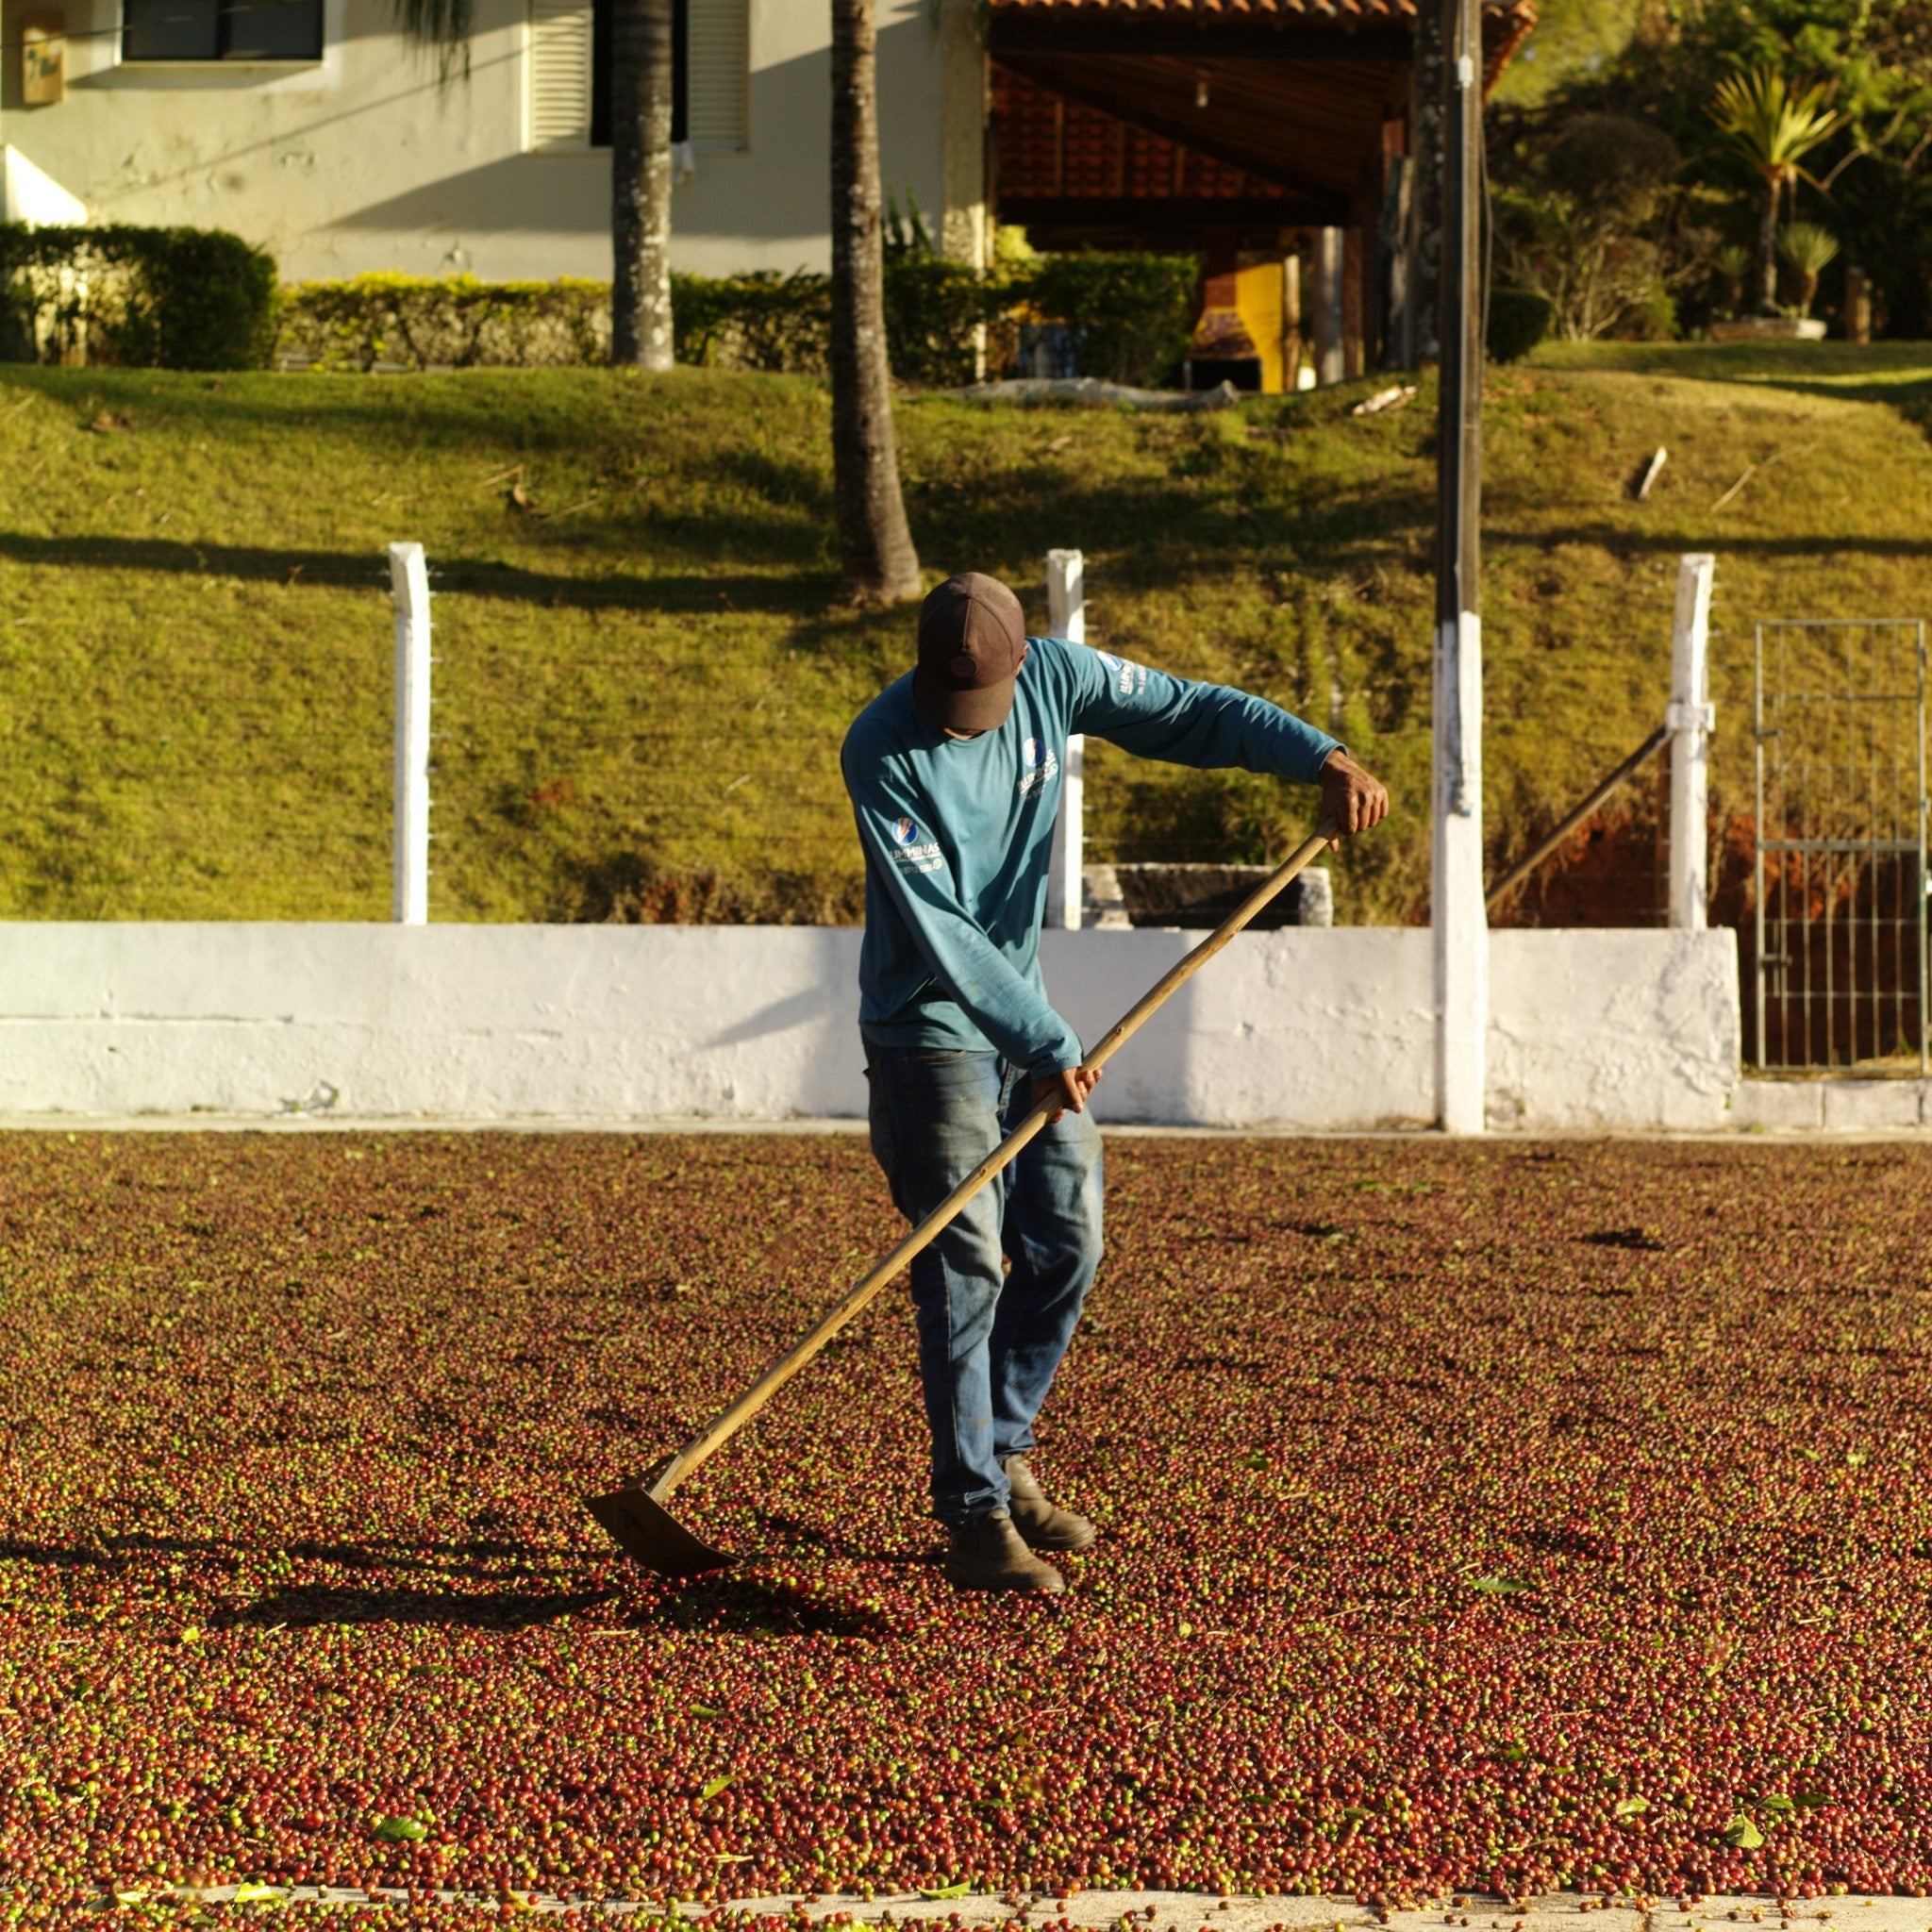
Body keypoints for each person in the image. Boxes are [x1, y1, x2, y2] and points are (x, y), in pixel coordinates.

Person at [841, 572, 1389, 1592]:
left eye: (982, 706)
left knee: (1067, 1236)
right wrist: (1048, 1036)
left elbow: (1187, 710)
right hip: (930, 1033)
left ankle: (1003, 1448)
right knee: (963, 1262)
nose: (962, 727)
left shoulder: (1054, 677)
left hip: (1025, 1027)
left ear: (1017, 666)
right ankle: (970, 1514)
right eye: (948, 706)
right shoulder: (880, 746)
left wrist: (1319, 753)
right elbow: (941, 927)